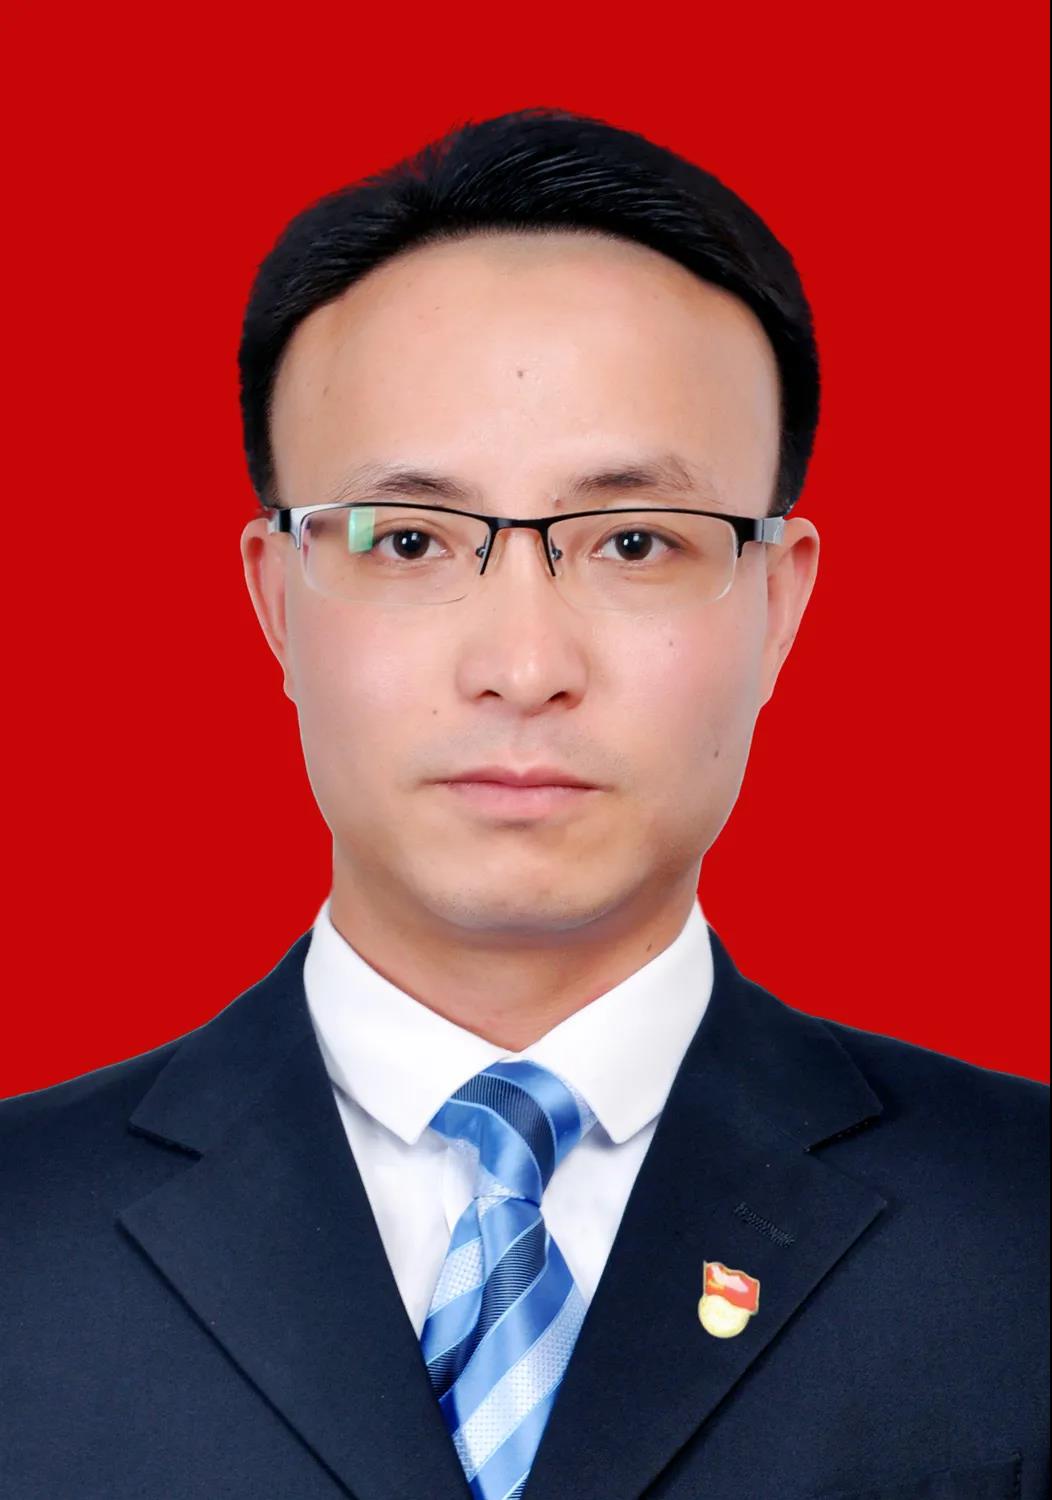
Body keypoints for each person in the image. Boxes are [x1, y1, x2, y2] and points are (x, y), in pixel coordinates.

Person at [1, 107, 1046, 1500]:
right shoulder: (20, 1241)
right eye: (407, 540)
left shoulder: (1024, 1231)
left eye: (636, 542)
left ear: (780, 604)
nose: (524, 665)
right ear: (276, 601)